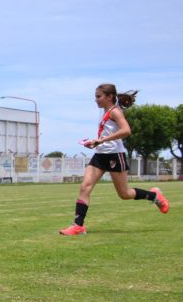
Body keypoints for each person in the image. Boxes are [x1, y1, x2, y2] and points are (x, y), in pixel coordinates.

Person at [59, 84, 169, 235]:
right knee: (85, 187)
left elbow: (126, 131)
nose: (95, 100)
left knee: (124, 194)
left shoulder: (115, 112)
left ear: (109, 97)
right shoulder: (104, 111)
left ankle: (155, 196)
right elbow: (106, 133)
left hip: (115, 156)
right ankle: (78, 225)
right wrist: (95, 142)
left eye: (98, 96)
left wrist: (101, 141)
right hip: (100, 155)